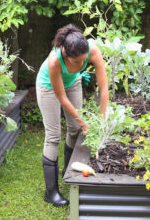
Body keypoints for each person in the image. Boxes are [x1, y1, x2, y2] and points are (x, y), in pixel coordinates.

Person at [36, 24, 109, 207]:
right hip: (48, 87)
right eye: (76, 62)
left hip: (73, 83)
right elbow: (61, 97)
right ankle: (51, 192)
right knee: (53, 136)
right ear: (65, 54)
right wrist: (84, 123)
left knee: (75, 129)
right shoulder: (55, 60)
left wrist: (102, 119)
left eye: (83, 62)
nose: (80, 65)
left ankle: (67, 172)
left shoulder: (92, 50)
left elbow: (104, 87)